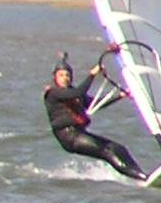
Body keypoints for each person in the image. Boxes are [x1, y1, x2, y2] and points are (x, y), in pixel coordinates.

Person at [44, 52, 145, 181]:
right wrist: (92, 74)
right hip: (69, 137)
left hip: (79, 134)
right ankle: (141, 178)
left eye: (67, 75)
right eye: (61, 75)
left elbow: (95, 103)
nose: (65, 78)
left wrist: (119, 96)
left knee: (119, 148)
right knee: (107, 151)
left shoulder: (74, 93)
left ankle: (141, 174)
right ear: (55, 77)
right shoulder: (53, 93)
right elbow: (78, 92)